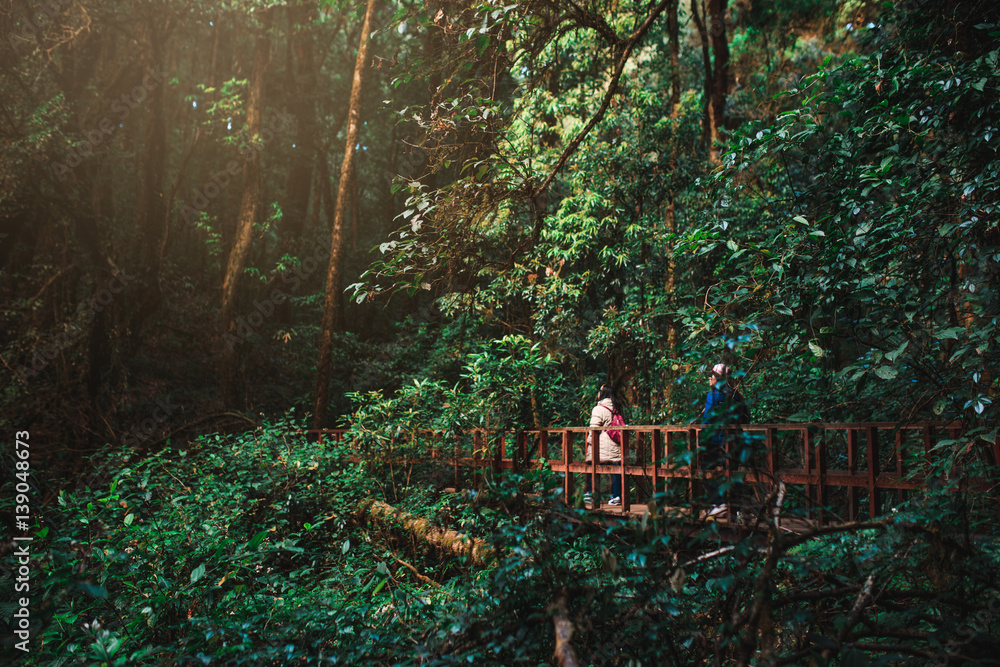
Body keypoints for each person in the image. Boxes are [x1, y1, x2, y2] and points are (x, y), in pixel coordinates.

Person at [701, 363, 749, 518]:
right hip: (736, 441)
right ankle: (735, 508)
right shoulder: (736, 394)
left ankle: (719, 502)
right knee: (732, 472)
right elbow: (746, 418)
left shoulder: (713, 394)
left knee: (704, 468)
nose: (710, 378)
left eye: (712, 376)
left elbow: (707, 419)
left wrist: (702, 437)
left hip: (717, 440)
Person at [584, 384, 624, 507]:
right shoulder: (617, 407)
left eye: (599, 391)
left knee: (592, 465)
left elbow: (594, 428)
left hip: (600, 446)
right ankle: (617, 496)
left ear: (603, 393)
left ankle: (591, 493)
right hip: (615, 445)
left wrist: (589, 441)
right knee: (615, 468)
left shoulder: (599, 409)